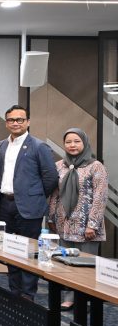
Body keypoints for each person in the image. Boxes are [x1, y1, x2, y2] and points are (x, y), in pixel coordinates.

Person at [0, 105, 57, 300]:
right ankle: (14, 291)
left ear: (28, 122)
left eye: (20, 120)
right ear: (6, 123)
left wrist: (33, 195)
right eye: (11, 120)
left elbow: (50, 177)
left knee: (29, 251)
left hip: (29, 207)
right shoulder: (1, 145)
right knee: (10, 250)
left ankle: (27, 294)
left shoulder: (39, 146)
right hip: (5, 204)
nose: (15, 123)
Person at [47, 128, 107, 310]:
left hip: (86, 225)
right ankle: (70, 297)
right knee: (66, 263)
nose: (72, 145)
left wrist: (93, 224)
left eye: (76, 141)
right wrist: (51, 218)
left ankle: (88, 297)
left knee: (87, 264)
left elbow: (100, 196)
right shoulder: (60, 166)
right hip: (64, 223)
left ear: (84, 143)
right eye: (68, 142)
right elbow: (54, 194)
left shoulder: (95, 166)